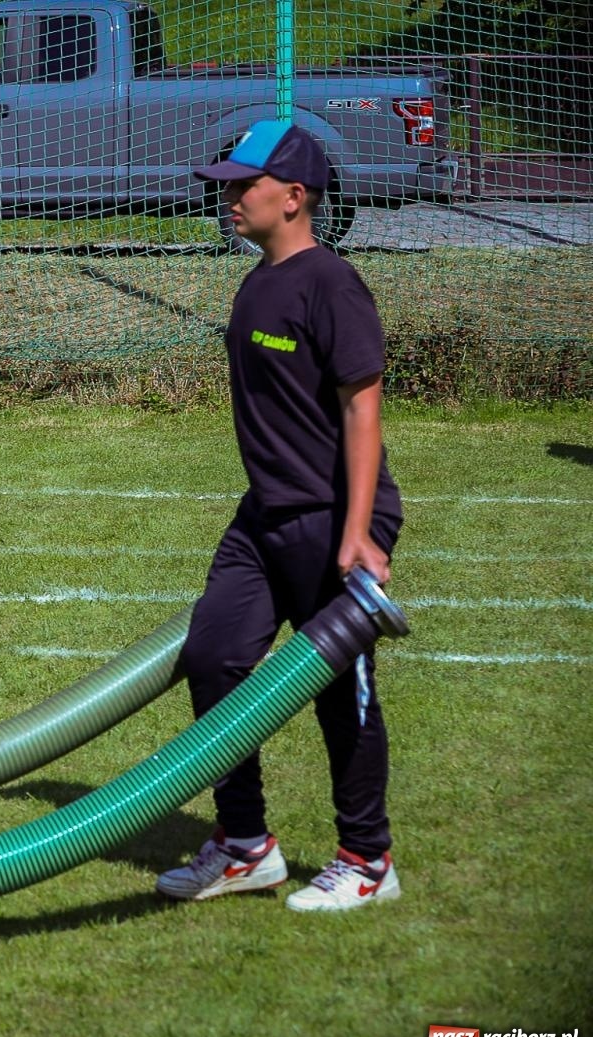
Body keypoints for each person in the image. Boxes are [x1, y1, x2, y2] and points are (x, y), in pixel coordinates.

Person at [155, 120, 404, 913]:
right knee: (215, 656)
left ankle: (367, 859)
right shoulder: (257, 281)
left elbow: (363, 411)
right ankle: (244, 844)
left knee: (340, 695)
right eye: (226, 183)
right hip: (264, 516)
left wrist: (360, 531)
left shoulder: (331, 283)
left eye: (242, 184)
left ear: (294, 197)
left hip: (335, 520)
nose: (227, 196)